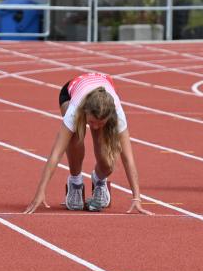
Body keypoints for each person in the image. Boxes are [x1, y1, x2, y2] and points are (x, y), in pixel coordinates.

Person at [25, 72, 151, 215]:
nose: (95, 126)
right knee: (75, 137)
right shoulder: (75, 110)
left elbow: (128, 158)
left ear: (109, 118)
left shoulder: (117, 113)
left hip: (101, 92)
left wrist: (137, 198)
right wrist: (40, 192)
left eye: (100, 123)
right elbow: (56, 154)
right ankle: (75, 182)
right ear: (85, 112)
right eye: (91, 122)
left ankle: (99, 180)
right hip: (70, 92)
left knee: (108, 160)